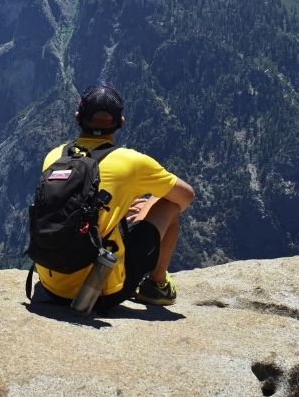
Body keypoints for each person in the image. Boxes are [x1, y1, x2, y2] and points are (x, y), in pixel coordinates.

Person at [35, 83, 195, 311]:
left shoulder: (55, 156)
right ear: (121, 123)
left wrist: (122, 203)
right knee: (169, 202)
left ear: (77, 117)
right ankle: (156, 286)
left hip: (50, 286)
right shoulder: (131, 162)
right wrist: (145, 202)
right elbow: (186, 196)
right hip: (99, 291)